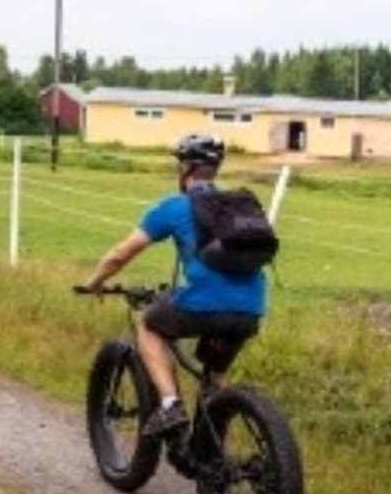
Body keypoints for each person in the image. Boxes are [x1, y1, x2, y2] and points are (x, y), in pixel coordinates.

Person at [80, 134, 267, 437]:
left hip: (203, 304)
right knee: (216, 378)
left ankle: (170, 405)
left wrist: (95, 282)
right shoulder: (235, 206)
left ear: (186, 169)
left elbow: (121, 253)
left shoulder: (176, 207)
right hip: (250, 308)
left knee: (149, 325)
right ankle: (213, 462)